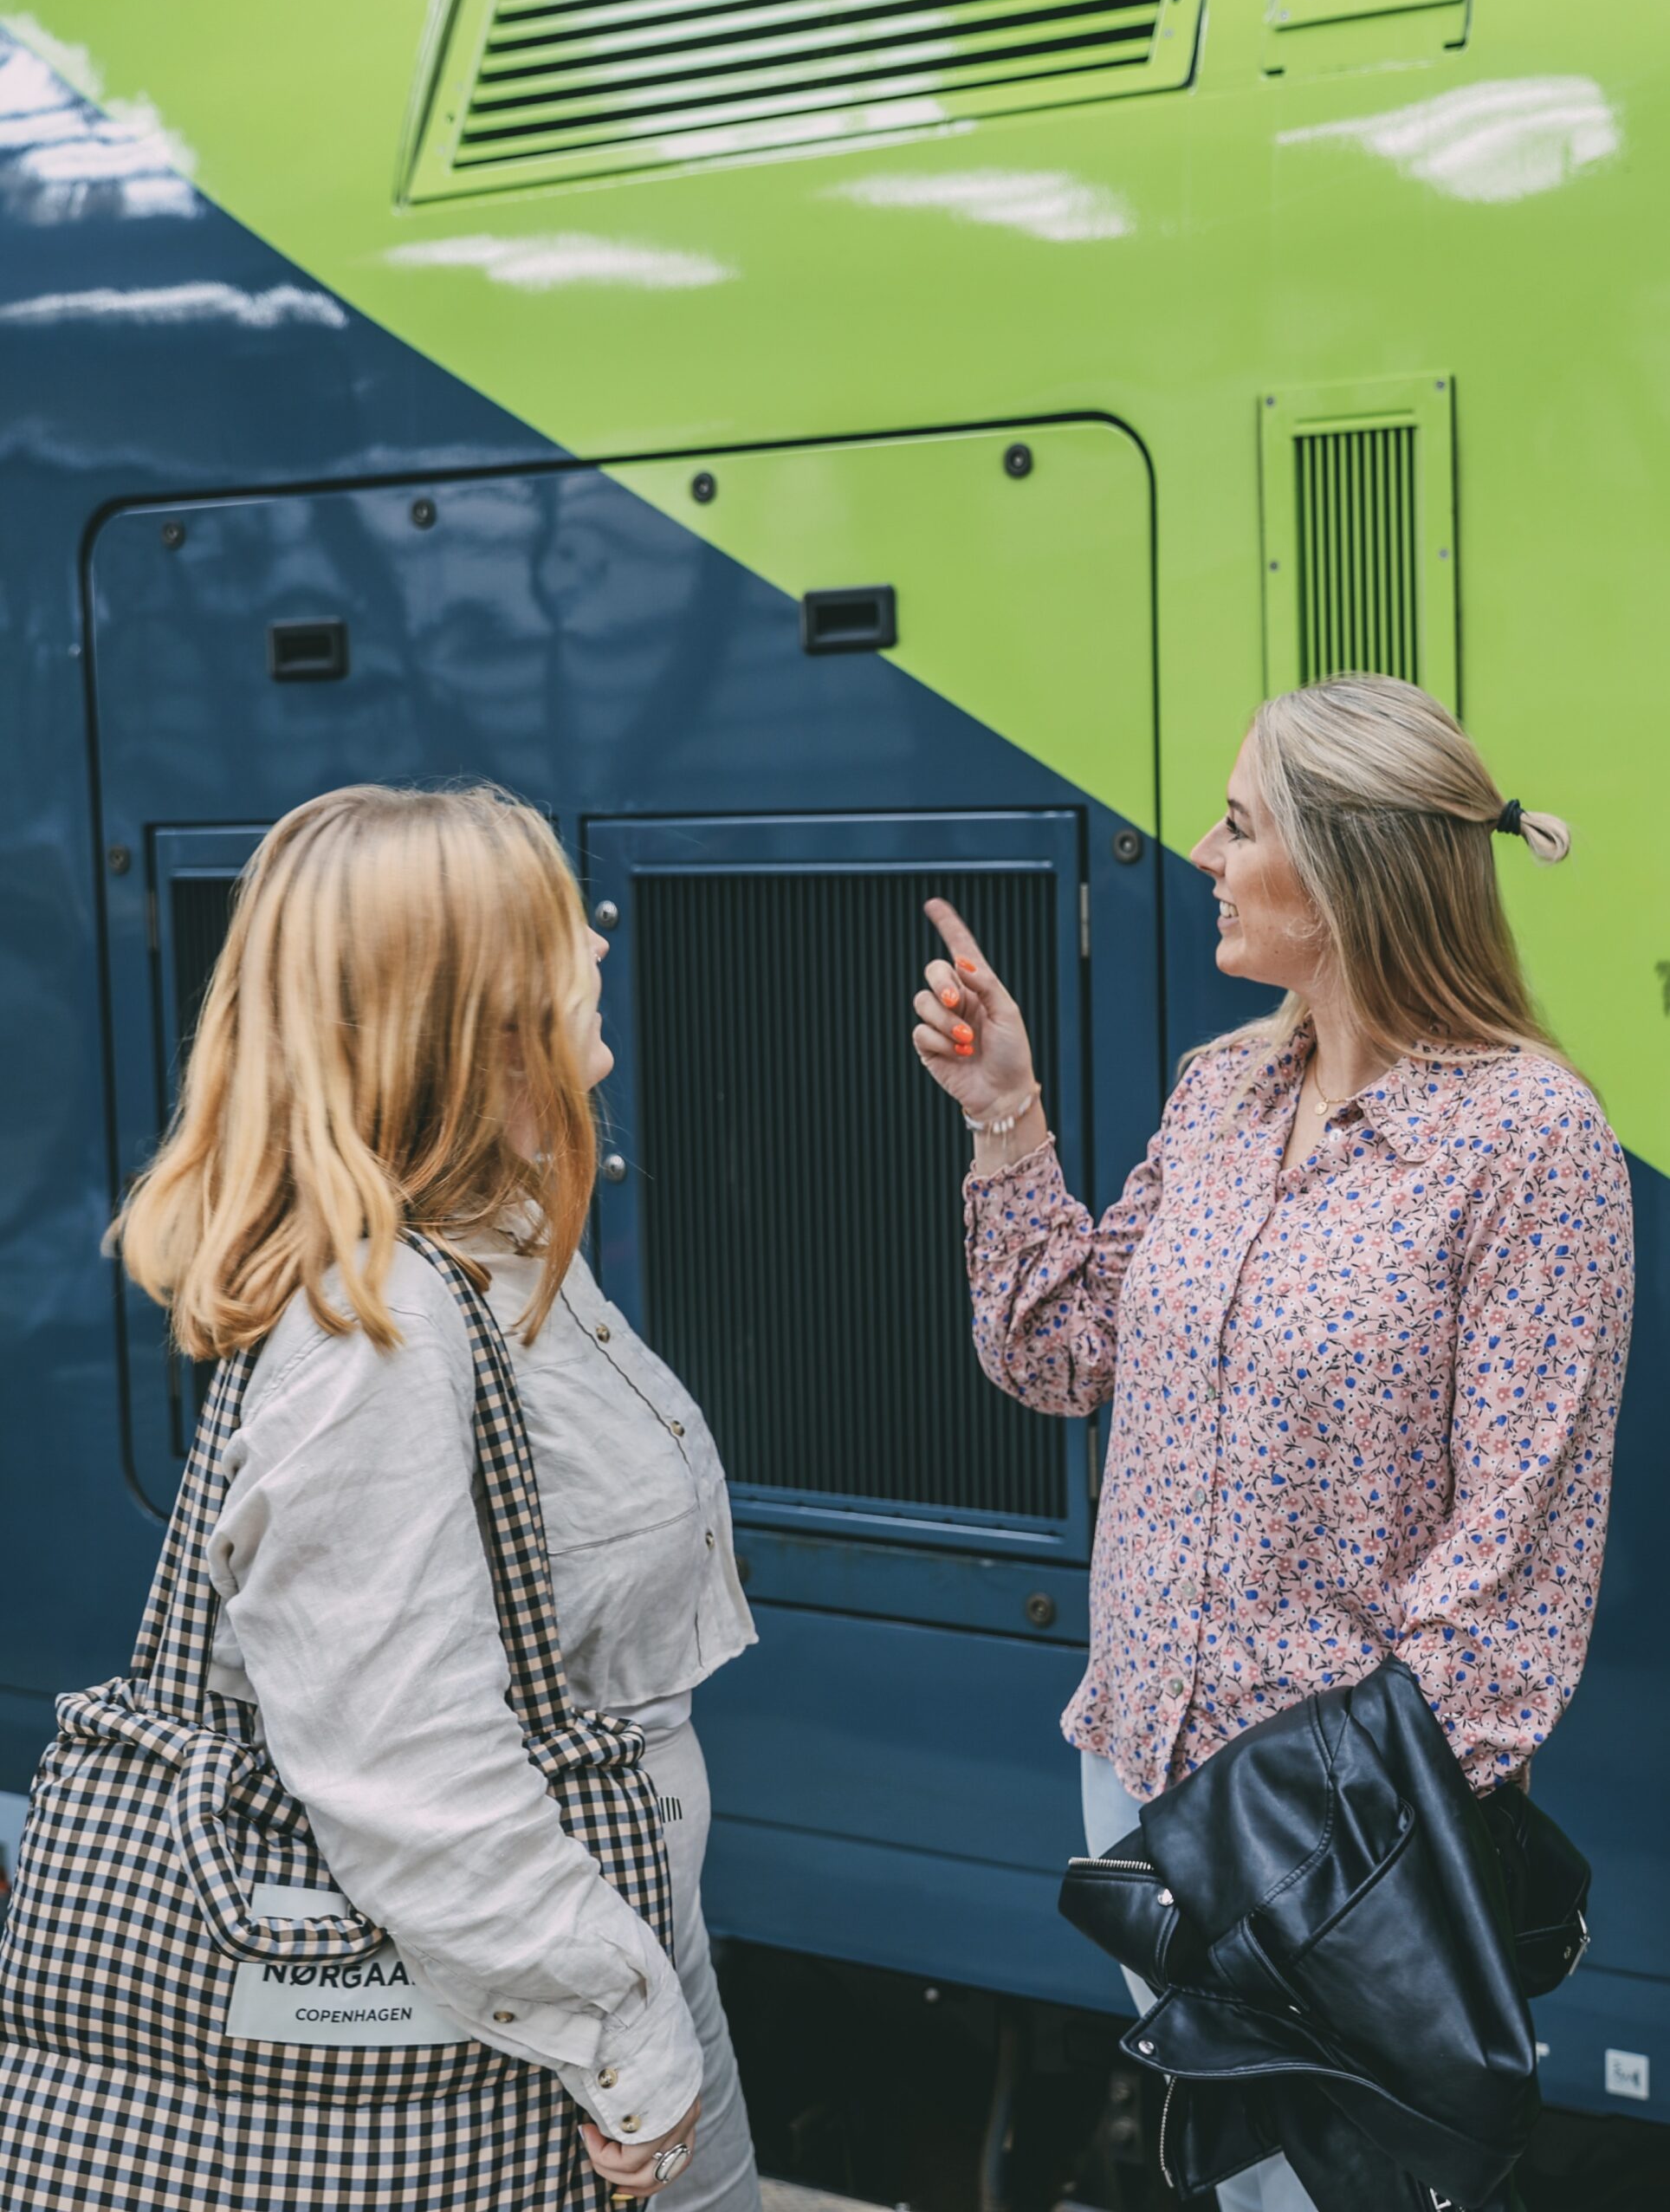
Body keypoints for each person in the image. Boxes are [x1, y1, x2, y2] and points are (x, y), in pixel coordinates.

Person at [910, 675, 1634, 2212]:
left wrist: (1305, 1838)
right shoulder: (1224, 1093)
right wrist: (1006, 1117)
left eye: (1239, 826)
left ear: (1350, 872)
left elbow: (1513, 1575)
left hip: (1335, 1844)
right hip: (1138, 1780)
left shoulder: (1532, 1146)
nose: (1200, 851)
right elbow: (1061, 1354)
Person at [113, 784, 761, 2209]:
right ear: (472, 1005)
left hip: (614, 1944)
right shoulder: (378, 1331)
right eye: (558, 927)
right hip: (520, 2022)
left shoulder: (498, 1242)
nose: (601, 942)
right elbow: (406, 1765)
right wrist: (624, 2037)